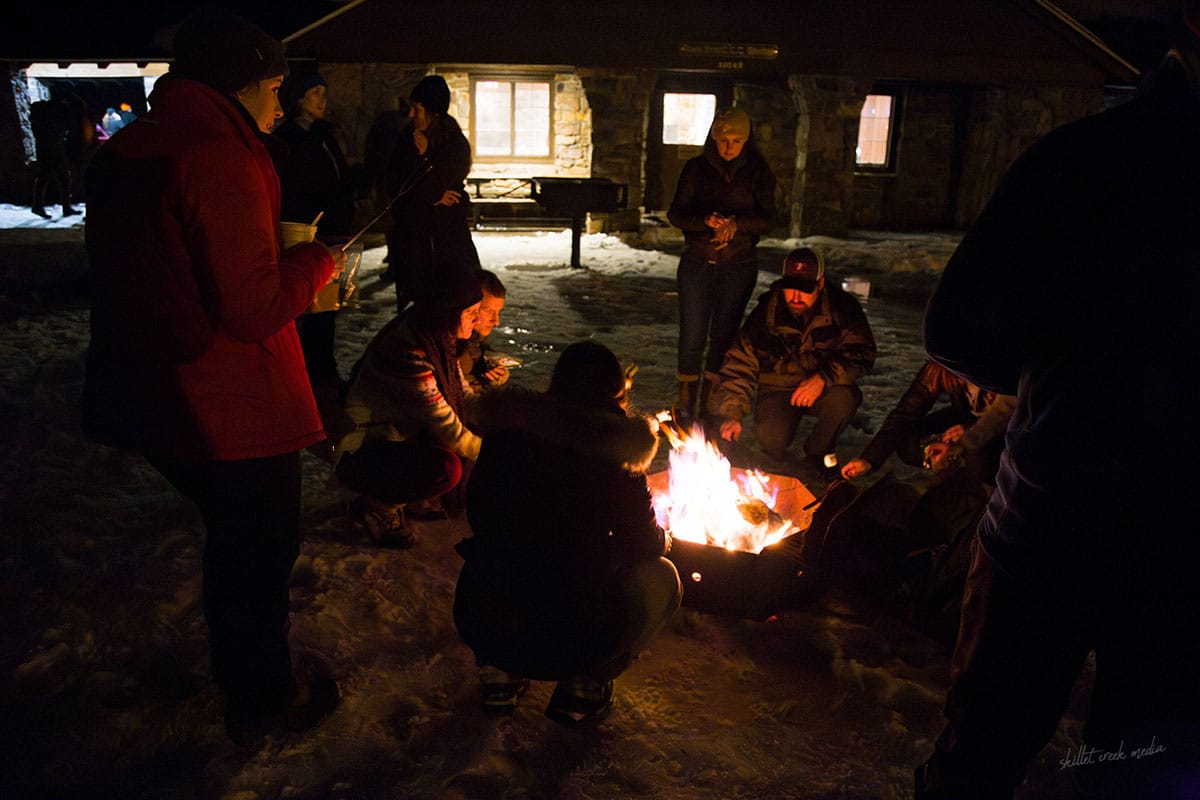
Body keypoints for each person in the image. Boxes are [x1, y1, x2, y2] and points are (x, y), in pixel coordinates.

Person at [914, 28, 1200, 800]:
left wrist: (1064, 373)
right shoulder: (1090, 160)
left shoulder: (1088, 159)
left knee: (985, 746)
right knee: (1145, 763)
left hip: (1057, 510)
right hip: (1168, 543)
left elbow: (958, 327)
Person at [79, 5, 344, 746]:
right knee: (255, 555)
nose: (278, 102)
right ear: (234, 85)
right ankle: (260, 697)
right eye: (270, 86)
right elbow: (254, 307)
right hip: (228, 398)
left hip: (156, 383)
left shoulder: (137, 146)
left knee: (235, 544)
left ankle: (243, 673)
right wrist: (314, 262)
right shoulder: (217, 156)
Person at [453, 341, 682, 725]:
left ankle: (499, 672)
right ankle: (586, 683)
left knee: (503, 565)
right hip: (572, 639)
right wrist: (662, 535)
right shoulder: (616, 454)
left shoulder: (505, 435)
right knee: (662, 577)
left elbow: (480, 513)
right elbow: (644, 544)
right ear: (617, 394)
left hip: (484, 616)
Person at [334, 268, 483, 547]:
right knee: (446, 468)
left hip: (402, 434)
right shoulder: (408, 350)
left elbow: (465, 399)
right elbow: (450, 431)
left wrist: (511, 417)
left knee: (477, 431)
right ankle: (379, 503)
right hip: (364, 447)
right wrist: (498, 455)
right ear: (448, 312)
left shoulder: (435, 338)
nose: (477, 319)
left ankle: (409, 496)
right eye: (471, 312)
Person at [709, 246, 876, 476]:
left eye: (805, 290)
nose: (796, 297)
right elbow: (740, 362)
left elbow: (863, 353)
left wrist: (823, 378)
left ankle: (817, 452)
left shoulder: (842, 309)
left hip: (824, 388)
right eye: (791, 288)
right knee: (770, 438)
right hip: (779, 387)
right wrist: (733, 414)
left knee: (844, 399)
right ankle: (777, 439)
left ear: (820, 284)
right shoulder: (767, 312)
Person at [667, 107, 776, 421]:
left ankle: (711, 399)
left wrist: (736, 224)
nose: (729, 146)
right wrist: (705, 220)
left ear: (746, 140)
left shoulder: (757, 171)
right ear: (713, 138)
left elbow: (768, 220)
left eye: (737, 140)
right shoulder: (696, 170)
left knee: (724, 335)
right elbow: (676, 214)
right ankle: (686, 400)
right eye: (724, 139)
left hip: (738, 265)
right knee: (692, 334)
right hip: (699, 262)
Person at [272, 70, 357, 396]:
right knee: (307, 304)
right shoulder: (289, 139)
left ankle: (321, 369)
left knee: (326, 306)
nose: (323, 100)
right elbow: (296, 184)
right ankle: (305, 372)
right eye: (315, 93)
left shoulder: (325, 135)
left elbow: (339, 176)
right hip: (306, 230)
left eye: (324, 92)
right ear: (298, 99)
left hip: (333, 228)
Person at [381, 74, 481, 311]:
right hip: (413, 238)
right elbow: (399, 185)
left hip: (446, 240)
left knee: (448, 302)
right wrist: (433, 193)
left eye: (418, 109)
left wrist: (427, 158)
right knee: (417, 305)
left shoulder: (453, 144)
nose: (412, 115)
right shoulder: (408, 139)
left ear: (433, 111)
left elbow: (437, 185)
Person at [840, 360, 1016, 483]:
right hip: (965, 417)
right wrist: (870, 459)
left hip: (1009, 428)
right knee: (908, 441)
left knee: (979, 459)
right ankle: (943, 464)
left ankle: (979, 489)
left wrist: (964, 440)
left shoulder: (1001, 363)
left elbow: (1007, 412)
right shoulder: (941, 365)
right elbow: (906, 413)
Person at [458, 269, 512, 396]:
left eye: (499, 312)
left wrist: (489, 364)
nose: (496, 321)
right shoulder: (453, 344)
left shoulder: (475, 335)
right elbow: (458, 391)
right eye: (488, 311)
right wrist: (484, 383)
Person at [29, 97, 79, 219]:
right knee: (64, 178)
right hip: (54, 150)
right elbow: (61, 131)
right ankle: (65, 208)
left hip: (44, 149)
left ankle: (38, 206)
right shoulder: (56, 115)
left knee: (43, 178)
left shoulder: (39, 116)